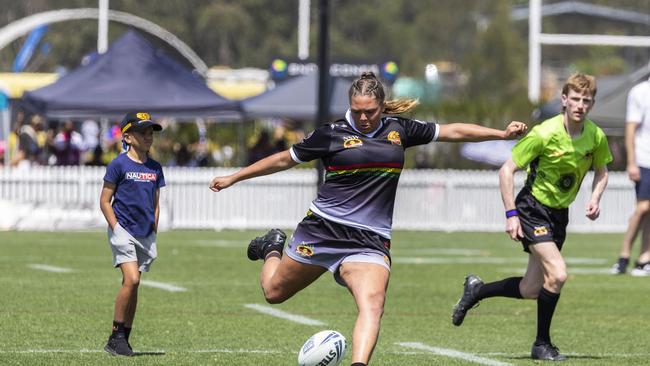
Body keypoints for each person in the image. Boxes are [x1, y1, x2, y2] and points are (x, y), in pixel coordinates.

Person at [209, 72, 527, 366]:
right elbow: (283, 159)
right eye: (357, 110)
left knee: (373, 304)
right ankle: (272, 247)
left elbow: (452, 131)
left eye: (370, 111)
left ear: (381, 106)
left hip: (370, 240)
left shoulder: (399, 130)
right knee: (273, 292)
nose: (363, 117)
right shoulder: (331, 134)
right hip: (322, 231)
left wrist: (499, 133)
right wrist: (235, 177)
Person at [451, 73, 612, 361]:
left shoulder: (596, 136)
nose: (580, 105)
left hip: (558, 215)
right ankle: (542, 344)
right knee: (559, 273)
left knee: (531, 289)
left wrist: (595, 199)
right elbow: (506, 170)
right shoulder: (544, 133)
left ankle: (477, 290)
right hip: (532, 208)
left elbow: (602, 171)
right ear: (564, 100)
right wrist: (511, 214)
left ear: (592, 104)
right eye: (575, 99)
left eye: (586, 100)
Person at [99, 112, 165, 356]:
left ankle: (123, 337)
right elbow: (105, 200)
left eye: (151, 133)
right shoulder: (118, 165)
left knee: (133, 285)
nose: (149, 137)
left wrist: (154, 226)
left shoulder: (155, 167)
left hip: (145, 233)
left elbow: (156, 202)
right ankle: (116, 335)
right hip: (123, 230)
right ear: (127, 136)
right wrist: (116, 228)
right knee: (132, 279)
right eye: (143, 132)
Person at [611, 75, 650, 276]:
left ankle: (644, 258)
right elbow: (631, 128)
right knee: (643, 208)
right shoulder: (641, 91)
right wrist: (632, 162)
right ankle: (624, 255)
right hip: (644, 160)